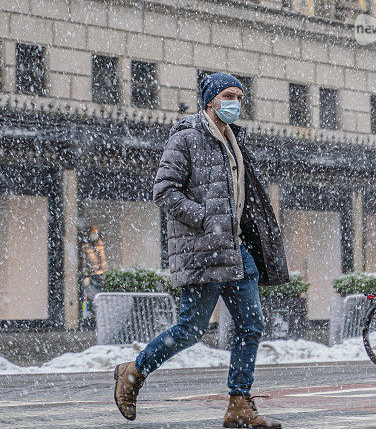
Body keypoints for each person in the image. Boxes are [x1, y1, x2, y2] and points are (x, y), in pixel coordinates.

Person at [113, 72, 288, 428]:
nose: (235, 103)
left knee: (251, 324)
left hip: (237, 252)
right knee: (190, 331)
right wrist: (205, 217)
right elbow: (163, 190)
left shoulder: (235, 140)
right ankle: (132, 373)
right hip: (204, 253)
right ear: (210, 100)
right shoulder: (187, 138)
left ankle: (239, 403)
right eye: (228, 95)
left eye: (239, 97)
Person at [80, 224, 108, 326]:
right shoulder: (86, 247)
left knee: (100, 297)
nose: (95, 236)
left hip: (100, 275)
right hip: (91, 275)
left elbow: (103, 260)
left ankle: (99, 318)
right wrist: (85, 275)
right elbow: (84, 262)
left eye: (96, 233)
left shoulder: (100, 245)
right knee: (90, 297)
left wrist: (104, 272)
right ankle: (89, 317)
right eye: (93, 234)